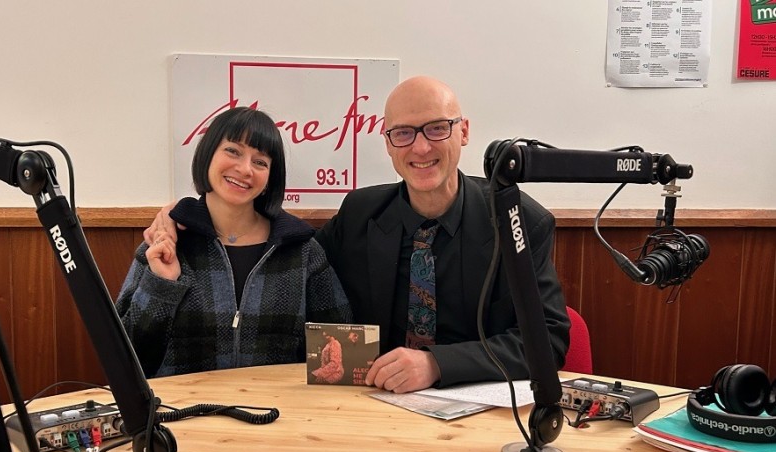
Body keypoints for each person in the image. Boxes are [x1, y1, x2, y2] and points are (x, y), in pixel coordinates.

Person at [144, 76, 570, 392]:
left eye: (437, 128)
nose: (421, 147)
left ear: (464, 131)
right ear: (388, 143)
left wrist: (437, 364)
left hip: (480, 405)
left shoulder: (518, 221)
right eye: (403, 133)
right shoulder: (361, 214)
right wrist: (186, 215)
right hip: (370, 403)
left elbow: (548, 341)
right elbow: (284, 252)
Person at [117, 106, 352, 378]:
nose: (244, 169)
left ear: (270, 178)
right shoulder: (166, 243)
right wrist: (162, 284)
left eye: (260, 162)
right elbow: (124, 359)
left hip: (276, 403)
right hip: (181, 404)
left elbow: (344, 351)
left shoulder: (301, 250)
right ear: (208, 155)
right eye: (233, 151)